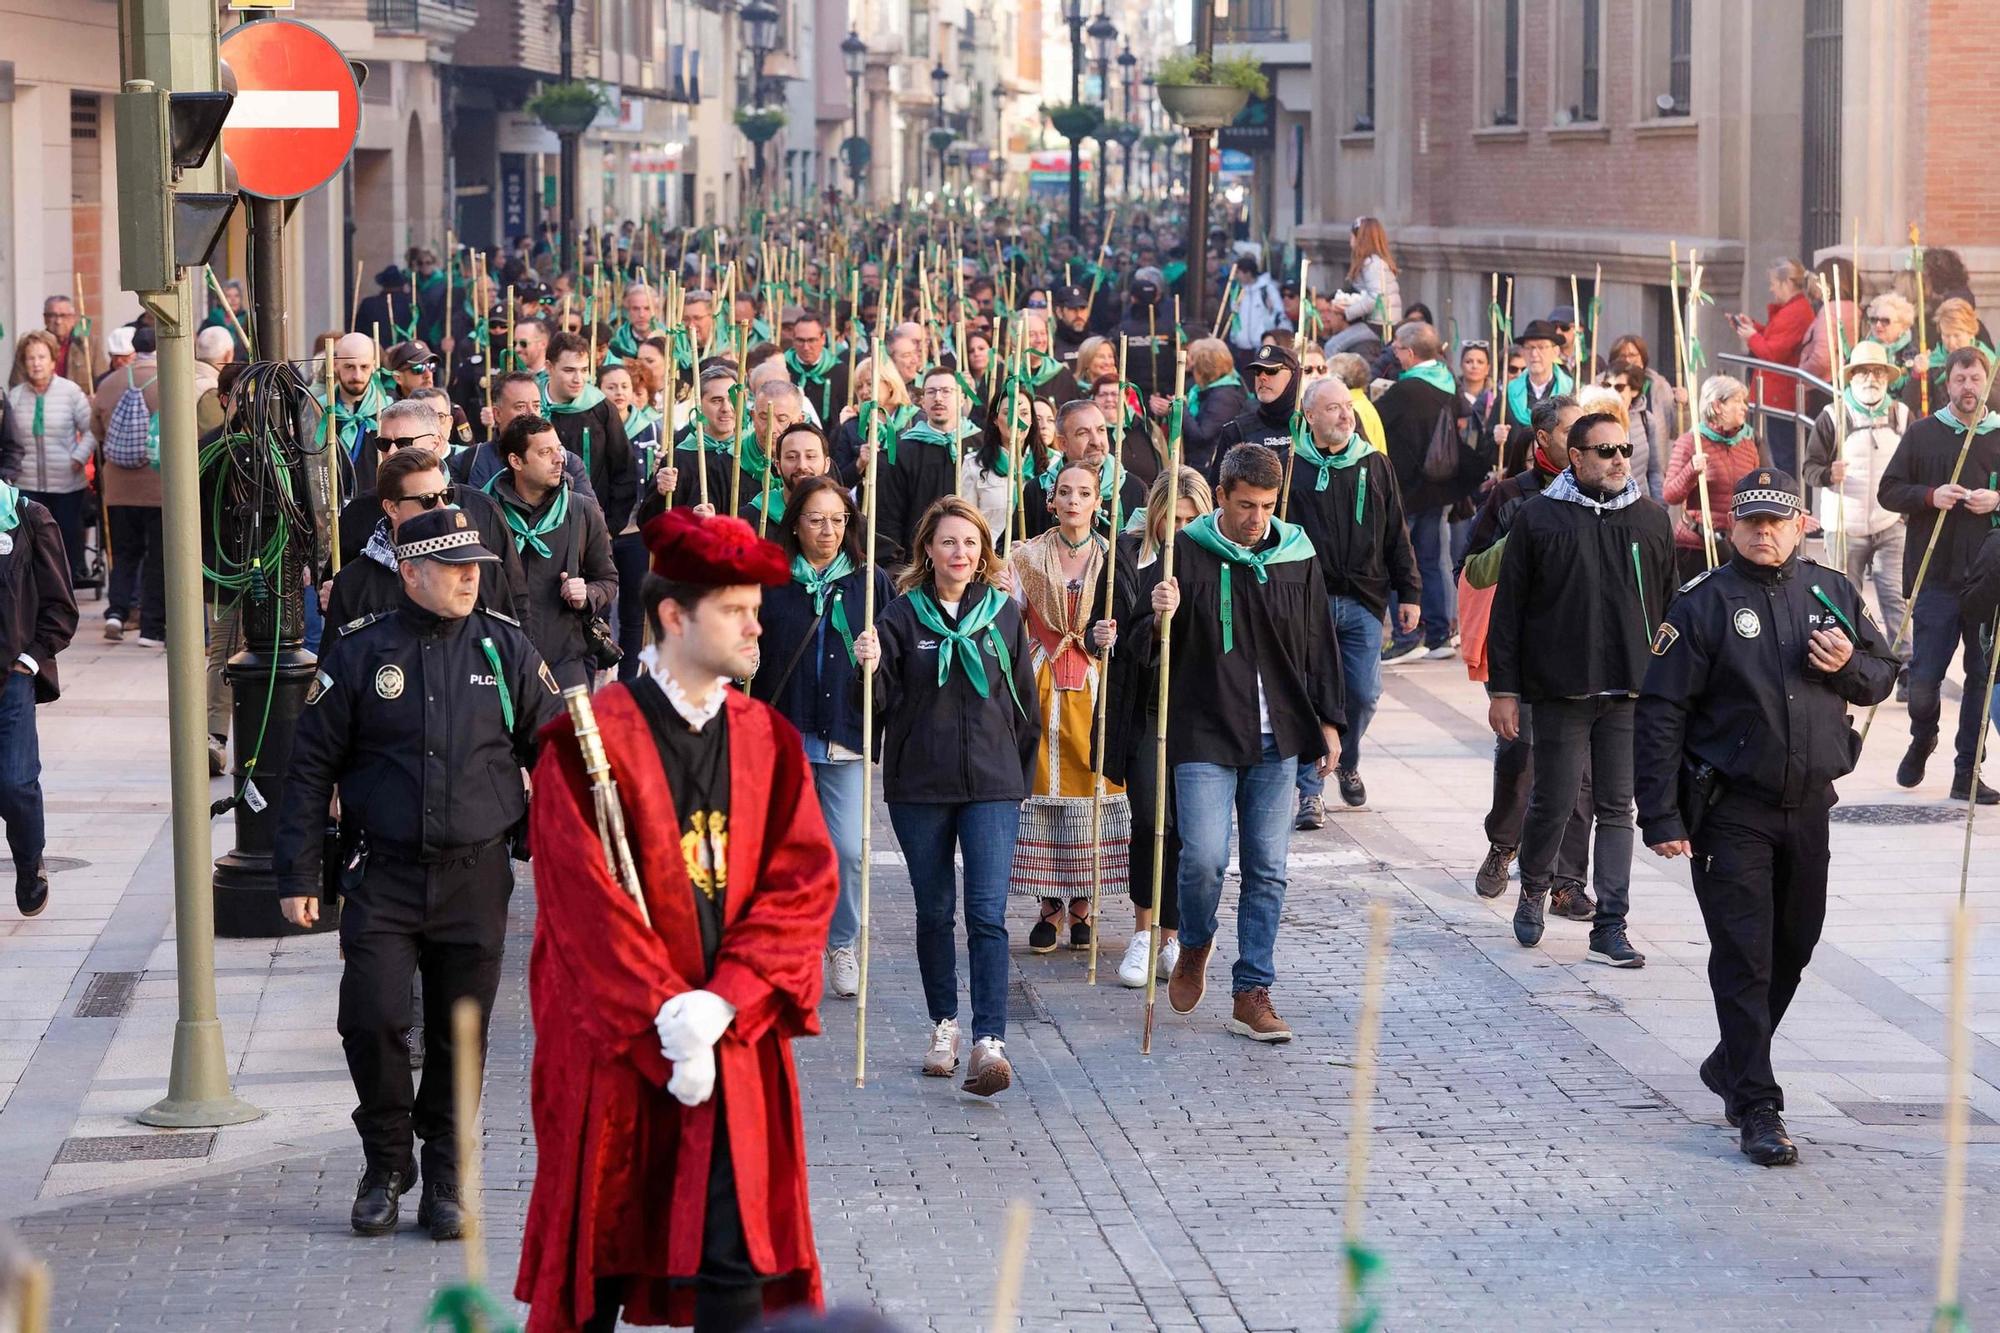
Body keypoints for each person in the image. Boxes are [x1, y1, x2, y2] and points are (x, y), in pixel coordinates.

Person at [515, 507, 838, 1333]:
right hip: (616, 1046)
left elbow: (802, 878)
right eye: (735, 608)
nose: (755, 625)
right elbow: (583, 906)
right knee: (600, 1254)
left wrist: (723, 1000)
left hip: (733, 1040)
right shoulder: (585, 742)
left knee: (732, 1257)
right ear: (672, 615)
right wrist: (665, 1012)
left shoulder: (768, 736)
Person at [272, 505, 561, 1239]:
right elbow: (309, 768)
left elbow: (555, 757)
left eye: (476, 566)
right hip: (385, 873)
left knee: (458, 1032)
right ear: (411, 572)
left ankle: (444, 1172)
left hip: (475, 875)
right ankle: (385, 1161)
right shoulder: (362, 652)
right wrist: (299, 874)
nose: (470, 577)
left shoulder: (506, 649)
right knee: (371, 1016)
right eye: (454, 566)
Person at [1636, 469, 1896, 1166]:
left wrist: (1848, 666)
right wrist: (1659, 811)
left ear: (1802, 522)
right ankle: (1757, 1104)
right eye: (1750, 520)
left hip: (1809, 804)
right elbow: (1661, 711)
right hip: (1731, 810)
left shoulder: (1830, 590)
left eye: (1777, 520)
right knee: (1744, 956)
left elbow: (1880, 673)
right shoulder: (1702, 603)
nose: (1763, 530)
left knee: (1797, 943)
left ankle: (1730, 1060)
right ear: (1730, 526)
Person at [1132, 444, 1344, 1042]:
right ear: (1220, 496)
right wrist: (1157, 616)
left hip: (1277, 735)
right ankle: (1195, 940)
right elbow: (1140, 648)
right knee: (1202, 857)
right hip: (1204, 728)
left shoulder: (1294, 554)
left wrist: (1329, 721)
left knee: (1269, 868)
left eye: (1267, 505)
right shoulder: (1186, 554)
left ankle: (1252, 988)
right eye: (1246, 505)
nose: (1257, 519)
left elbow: (1318, 639)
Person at [851, 498, 1039, 1096]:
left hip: (992, 785)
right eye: (948, 543)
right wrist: (870, 667)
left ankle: (990, 1041)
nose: (960, 553)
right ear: (927, 550)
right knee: (934, 912)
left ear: (984, 552)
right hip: (920, 787)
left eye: (970, 543)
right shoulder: (900, 618)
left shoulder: (1004, 615)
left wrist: (1017, 778)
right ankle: (945, 1026)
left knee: (987, 913)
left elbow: (1025, 705)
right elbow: (877, 707)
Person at [1486, 410, 1677, 967]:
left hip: (1629, 691)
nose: (1619, 459)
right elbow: (1510, 610)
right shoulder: (1539, 518)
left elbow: (1669, 609)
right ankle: (1535, 885)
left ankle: (1610, 925)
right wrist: (1504, 689)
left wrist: (1671, 685)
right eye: (1605, 451)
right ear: (1576, 457)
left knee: (1619, 807)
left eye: (1624, 449)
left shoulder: (1650, 519)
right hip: (1560, 688)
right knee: (1555, 800)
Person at [749, 475, 887, 1002]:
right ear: (796, 523)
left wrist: (878, 660)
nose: (828, 530)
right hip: (783, 728)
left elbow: (892, 659)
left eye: (838, 519)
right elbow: (739, 638)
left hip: (844, 733)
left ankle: (841, 941)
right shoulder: (770, 580)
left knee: (849, 849)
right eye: (816, 519)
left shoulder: (868, 583)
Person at [1461, 395, 1597, 920]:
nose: (1587, 444)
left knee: (1580, 774)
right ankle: (1504, 843)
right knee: (1521, 757)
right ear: (1543, 438)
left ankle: (1564, 881)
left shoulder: (1606, 494)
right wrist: (1526, 534)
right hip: (1525, 651)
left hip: (1585, 655)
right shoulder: (1511, 496)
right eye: (1572, 432)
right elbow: (1473, 569)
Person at [1005, 461, 1126, 954]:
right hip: (1040, 677)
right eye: (1064, 492)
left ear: (1099, 501)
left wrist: (1112, 635)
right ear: (1050, 500)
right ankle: (1050, 902)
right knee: (1042, 782)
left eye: (1085, 492)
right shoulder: (1025, 556)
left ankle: (1084, 905)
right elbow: (1008, 617)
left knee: (1091, 783)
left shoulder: (1115, 556)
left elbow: (1130, 615)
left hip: (1097, 682)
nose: (1074, 500)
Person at [1286, 377, 1417, 826]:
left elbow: (1396, 531)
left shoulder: (1374, 464)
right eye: (1333, 408)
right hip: (1307, 602)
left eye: (1347, 406)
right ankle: (1310, 791)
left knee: (1362, 694)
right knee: (1308, 696)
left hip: (1364, 597)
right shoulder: (1290, 467)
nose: (1345, 415)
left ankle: (1347, 757)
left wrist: (1410, 591)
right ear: (1310, 417)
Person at [1877, 345, 2000, 803]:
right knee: (1925, 681)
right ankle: (1923, 734)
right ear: (1947, 382)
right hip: (1935, 578)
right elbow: (1888, 491)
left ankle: (1968, 770)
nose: (1969, 387)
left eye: (1976, 378)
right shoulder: (1923, 433)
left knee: (1982, 676)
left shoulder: (1998, 433)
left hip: (1990, 581)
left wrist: (1997, 500)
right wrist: (1930, 495)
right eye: (1961, 379)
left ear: (1987, 382)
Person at [1105, 467, 1210, 988]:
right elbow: (1118, 634)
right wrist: (1150, 614)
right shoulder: (1128, 555)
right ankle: (1144, 929)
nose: (1183, 528)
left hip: (1198, 711)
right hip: (1145, 706)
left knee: (1188, 830)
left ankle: (1173, 935)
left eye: (1193, 518)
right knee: (1150, 819)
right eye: (1174, 517)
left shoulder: (1216, 558)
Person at [1800, 340, 1913, 694]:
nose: (1870, 378)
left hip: (1889, 521)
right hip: (1844, 524)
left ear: (1886, 377)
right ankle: (1844, 664)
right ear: (1851, 376)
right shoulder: (1832, 415)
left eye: (1877, 371)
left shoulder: (1902, 415)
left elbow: (1914, 464)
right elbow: (1809, 469)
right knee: (1843, 597)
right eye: (1863, 371)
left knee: (1895, 596)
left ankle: (1906, 667)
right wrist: (1827, 474)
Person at [323, 443, 527, 629]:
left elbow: (512, 645)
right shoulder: (354, 583)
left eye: (446, 496)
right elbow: (336, 664)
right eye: (427, 500)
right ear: (392, 508)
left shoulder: (480, 566)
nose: (442, 507)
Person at [488, 414, 619, 690]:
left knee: (573, 735)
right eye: (545, 452)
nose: (559, 458)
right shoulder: (486, 513)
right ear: (516, 461)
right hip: (499, 665)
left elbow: (607, 580)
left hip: (566, 665)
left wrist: (587, 595)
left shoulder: (582, 511)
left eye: (558, 449)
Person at [1379, 322, 1481, 663]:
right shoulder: (1447, 383)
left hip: (1406, 491)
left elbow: (1376, 427)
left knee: (1399, 562)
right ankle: (1438, 634)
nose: (1393, 352)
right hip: (1437, 489)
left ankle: (1408, 635)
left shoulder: (1404, 391)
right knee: (1431, 561)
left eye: (1396, 347)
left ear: (1410, 352)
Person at [0, 475, 79, 917]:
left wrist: (28, 661)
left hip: (11, 678)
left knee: (14, 784)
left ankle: (30, 865)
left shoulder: (28, 519)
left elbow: (60, 607)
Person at [90, 326, 164, 646]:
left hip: (119, 487)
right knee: (157, 558)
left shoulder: (109, 384)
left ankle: (117, 612)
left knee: (123, 553)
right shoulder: (169, 380)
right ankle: (150, 628)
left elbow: (97, 429)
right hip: (159, 487)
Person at [4, 331, 94, 588]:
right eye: (30, 357)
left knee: (65, 539)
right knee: (31, 542)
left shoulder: (70, 392)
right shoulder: (16, 396)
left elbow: (91, 430)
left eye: (42, 357)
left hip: (67, 483)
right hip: (27, 483)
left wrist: (79, 456)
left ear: (53, 360)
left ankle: (66, 589)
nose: (36, 363)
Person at [873, 366, 978, 566]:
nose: (938, 398)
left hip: (973, 559)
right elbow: (888, 515)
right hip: (919, 562)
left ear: (962, 398)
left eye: (947, 391)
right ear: (922, 401)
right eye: (931, 392)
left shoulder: (979, 444)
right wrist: (896, 567)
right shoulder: (902, 449)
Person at [1663, 375, 1764, 583]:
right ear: (1718, 406)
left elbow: (1755, 493)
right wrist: (1691, 470)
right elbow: (1670, 494)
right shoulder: (1690, 442)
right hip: (1696, 548)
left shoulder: (1748, 445)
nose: (1744, 407)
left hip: (1735, 546)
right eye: (1737, 401)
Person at [543, 331, 637, 533]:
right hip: (541, 523)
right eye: (569, 370)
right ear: (549, 367)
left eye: (584, 370)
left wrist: (609, 526)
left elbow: (623, 468)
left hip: (592, 523)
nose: (578, 379)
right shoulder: (534, 406)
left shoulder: (600, 407)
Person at [1727, 258, 1815, 473]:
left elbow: (1773, 352)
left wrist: (1752, 336)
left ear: (1786, 283)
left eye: (1774, 283)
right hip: (1778, 393)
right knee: (1779, 452)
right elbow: (1774, 338)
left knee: (1784, 456)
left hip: (1781, 395)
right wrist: (1754, 328)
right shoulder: (1792, 310)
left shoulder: (1796, 312)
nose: (1771, 288)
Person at [1021, 400, 1147, 542]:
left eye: (1101, 430)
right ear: (1063, 443)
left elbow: (1145, 554)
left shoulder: (1133, 489)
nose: (1096, 441)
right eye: (1083, 433)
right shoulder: (1038, 489)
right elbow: (1010, 547)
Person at [1488, 320, 1573, 474]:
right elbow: (1486, 447)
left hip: (1562, 478)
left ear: (1555, 351)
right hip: (1517, 480)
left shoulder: (1572, 392)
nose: (1534, 354)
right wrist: (1495, 439)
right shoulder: (1508, 394)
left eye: (1541, 347)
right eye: (1529, 348)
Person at [1211, 342, 1301, 477]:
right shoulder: (1236, 431)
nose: (1262, 377)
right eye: (1257, 371)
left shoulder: (1311, 427)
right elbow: (1218, 490)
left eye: (1272, 371)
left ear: (1294, 376)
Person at [1158, 338, 1246, 476]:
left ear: (1202, 367)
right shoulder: (1205, 390)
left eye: (1193, 363)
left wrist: (1181, 409)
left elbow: (1202, 435)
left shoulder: (1224, 397)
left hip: (1206, 468)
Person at [320, 333, 394, 464]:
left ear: (373, 366)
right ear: (335, 365)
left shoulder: (389, 410)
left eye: (364, 367)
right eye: (349, 366)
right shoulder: (319, 409)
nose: (357, 376)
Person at [784, 311, 848, 425]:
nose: (806, 347)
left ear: (823, 339)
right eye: (800, 340)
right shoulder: (784, 367)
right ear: (793, 339)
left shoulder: (840, 371)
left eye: (811, 340)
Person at [1225, 257, 1286, 364]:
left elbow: (1279, 313)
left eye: (1238, 272)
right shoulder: (1237, 290)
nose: (1236, 276)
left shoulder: (1267, 289)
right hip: (1241, 347)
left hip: (1261, 346)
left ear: (1248, 273)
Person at [1345, 217, 1402, 330]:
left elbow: (1375, 297)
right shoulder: (1374, 262)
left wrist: (1347, 312)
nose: (1349, 239)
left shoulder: (1372, 264)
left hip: (1379, 325)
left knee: (1336, 344)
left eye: (1352, 235)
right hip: (1380, 322)